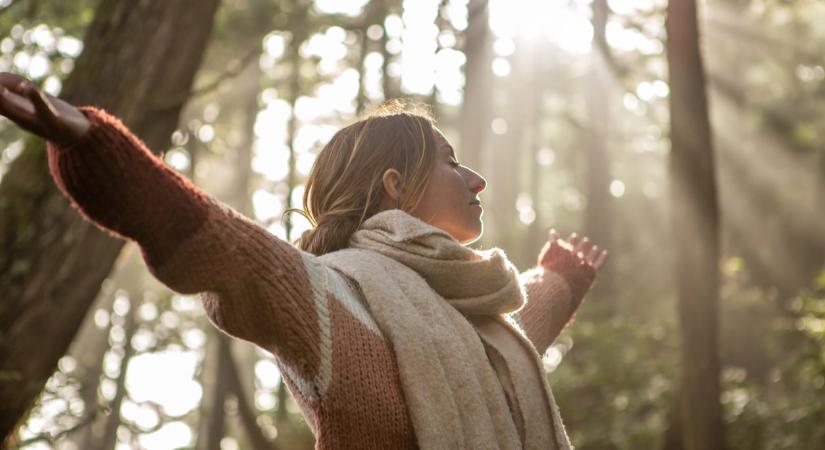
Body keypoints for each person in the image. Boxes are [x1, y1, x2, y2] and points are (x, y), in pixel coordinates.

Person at [0, 72, 607, 450]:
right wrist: (90, 141)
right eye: (451, 162)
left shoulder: (481, 323)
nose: (475, 178)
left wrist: (559, 279)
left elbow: (516, 338)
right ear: (395, 185)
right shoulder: (328, 296)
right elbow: (220, 241)